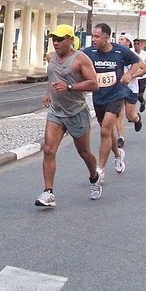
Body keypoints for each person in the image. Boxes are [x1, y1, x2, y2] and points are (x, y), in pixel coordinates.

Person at [35, 24, 101, 208]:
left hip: (76, 111)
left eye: (60, 39)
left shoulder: (81, 59)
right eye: (54, 39)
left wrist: (70, 87)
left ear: (70, 40)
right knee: (48, 150)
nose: (56, 43)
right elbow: (53, 77)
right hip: (56, 111)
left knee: (84, 152)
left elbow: (94, 84)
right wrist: (49, 93)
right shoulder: (51, 58)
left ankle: (94, 177)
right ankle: (49, 193)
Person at [83, 23, 142, 185]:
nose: (93, 39)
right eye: (93, 36)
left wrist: (129, 73)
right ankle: (117, 154)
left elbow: (136, 61)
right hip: (98, 97)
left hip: (116, 96)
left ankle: (100, 170)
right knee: (108, 133)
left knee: (105, 130)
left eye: (97, 36)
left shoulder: (119, 51)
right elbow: (75, 61)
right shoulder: (89, 52)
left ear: (106, 37)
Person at [114, 33, 145, 149]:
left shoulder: (134, 55)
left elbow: (145, 69)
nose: (119, 41)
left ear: (128, 43)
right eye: (119, 39)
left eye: (122, 40)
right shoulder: (115, 54)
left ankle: (137, 118)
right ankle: (120, 137)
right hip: (119, 88)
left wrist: (131, 75)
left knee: (129, 115)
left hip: (131, 88)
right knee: (119, 113)